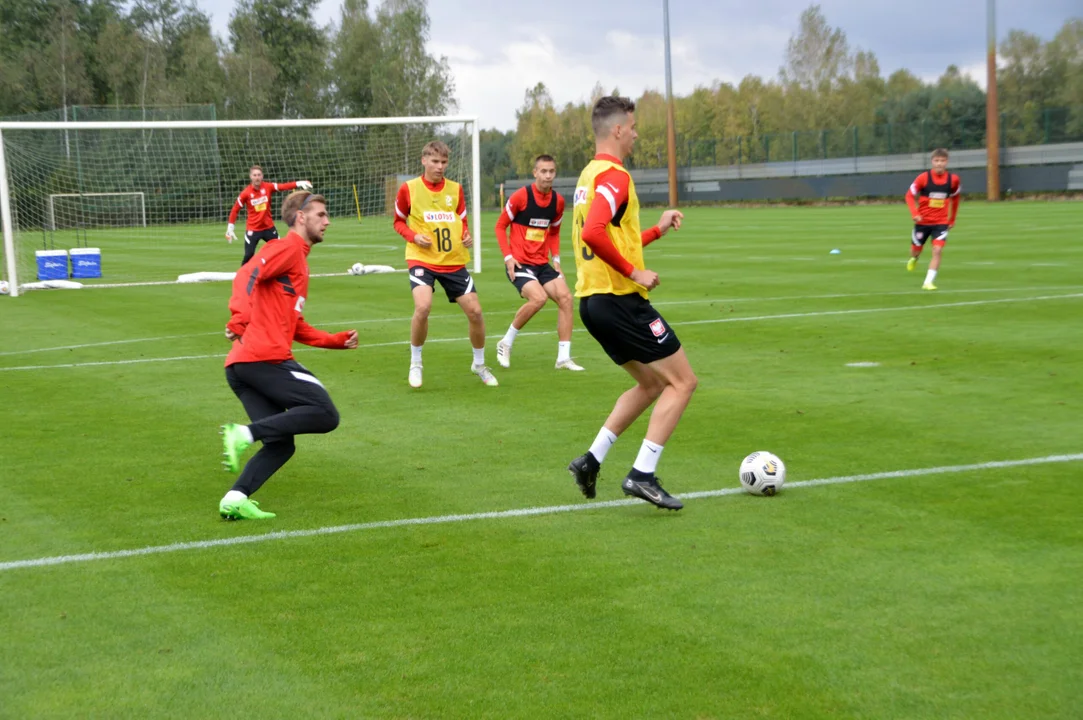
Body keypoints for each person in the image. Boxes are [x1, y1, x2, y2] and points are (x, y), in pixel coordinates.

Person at [565, 96, 696, 511]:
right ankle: (642, 474)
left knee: (651, 383)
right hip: (619, 299)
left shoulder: (588, 175)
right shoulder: (615, 175)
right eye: (634, 127)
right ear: (618, 129)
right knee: (683, 382)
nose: (637, 134)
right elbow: (594, 233)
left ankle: (590, 460)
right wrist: (634, 273)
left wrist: (655, 231)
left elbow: (609, 237)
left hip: (592, 301)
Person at [218, 191, 358, 520]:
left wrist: (335, 341)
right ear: (300, 217)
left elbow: (294, 325)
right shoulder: (287, 248)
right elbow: (245, 275)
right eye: (321, 214)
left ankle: (235, 497)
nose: (327, 221)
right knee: (325, 413)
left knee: (281, 442)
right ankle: (244, 433)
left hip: (242, 366)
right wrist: (239, 317)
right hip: (262, 358)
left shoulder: (300, 261)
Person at [393, 140, 498, 388]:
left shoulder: (456, 189)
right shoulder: (409, 189)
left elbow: (461, 220)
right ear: (424, 160)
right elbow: (398, 222)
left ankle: (479, 364)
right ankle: (416, 363)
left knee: (476, 312)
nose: (440, 167)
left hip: (453, 260)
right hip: (422, 259)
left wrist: (466, 235)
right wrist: (413, 236)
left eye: (444, 162)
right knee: (423, 307)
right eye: (435, 161)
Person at [494, 154, 583, 372]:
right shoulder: (520, 197)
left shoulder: (558, 202)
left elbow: (554, 232)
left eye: (551, 171)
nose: (548, 175)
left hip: (542, 264)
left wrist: (557, 260)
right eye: (543, 171)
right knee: (539, 298)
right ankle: (505, 342)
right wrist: (508, 258)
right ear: (535, 173)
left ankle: (563, 357)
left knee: (566, 298)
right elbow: (499, 226)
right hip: (520, 263)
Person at [226, 165, 313, 265]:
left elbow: (283, 186)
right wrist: (230, 227)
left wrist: (299, 183)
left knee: (282, 251)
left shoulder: (268, 187)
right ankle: (242, 277)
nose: (257, 177)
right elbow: (235, 209)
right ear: (251, 177)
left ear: (262, 176)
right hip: (253, 229)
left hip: (268, 228)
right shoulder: (246, 193)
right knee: (248, 255)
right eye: (254, 175)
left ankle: (282, 273)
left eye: (259, 175)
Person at [905, 148, 961, 290]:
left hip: (940, 223)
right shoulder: (923, 178)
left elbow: (956, 199)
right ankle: (914, 259)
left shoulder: (953, 180)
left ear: (946, 162)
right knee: (916, 250)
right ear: (932, 162)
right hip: (922, 222)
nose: (939, 164)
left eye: (942, 161)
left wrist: (952, 219)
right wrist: (914, 214)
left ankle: (928, 282)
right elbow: (909, 196)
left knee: (937, 250)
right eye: (936, 161)